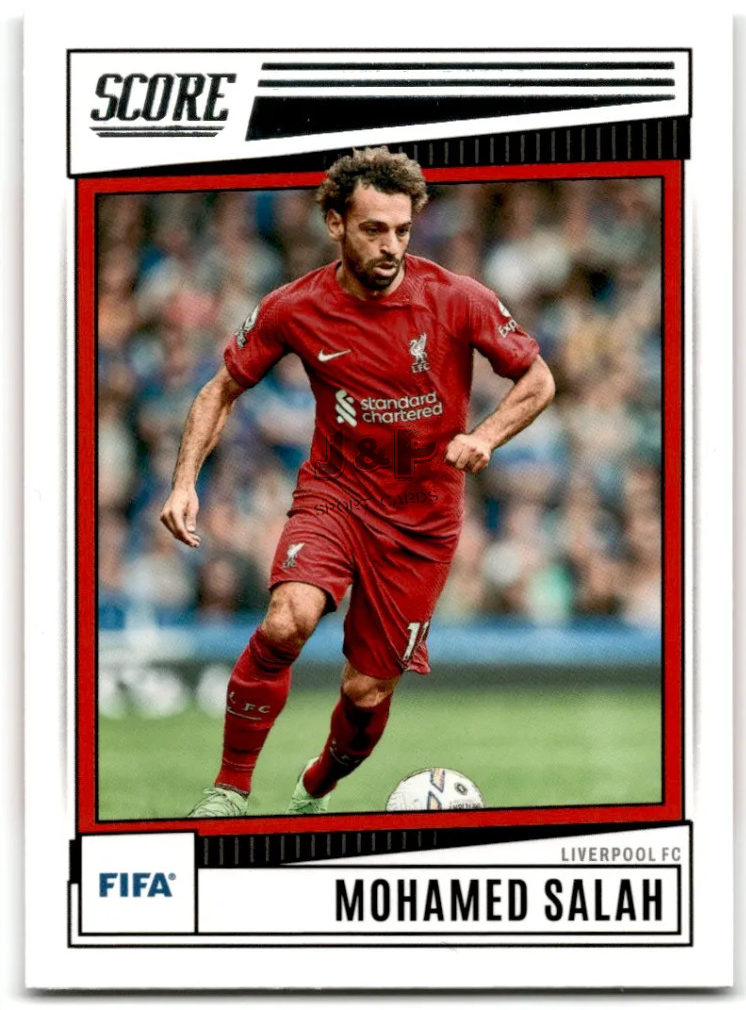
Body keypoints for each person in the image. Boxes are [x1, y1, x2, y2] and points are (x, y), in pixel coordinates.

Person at [160, 147, 556, 817]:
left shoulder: (457, 298)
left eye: (402, 230)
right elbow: (220, 388)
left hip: (423, 520)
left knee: (366, 690)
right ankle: (228, 790)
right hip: (336, 495)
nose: (391, 246)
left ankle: (314, 787)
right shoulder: (294, 307)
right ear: (335, 223)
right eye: (374, 229)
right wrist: (184, 483)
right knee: (288, 619)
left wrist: (485, 436)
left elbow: (538, 379)